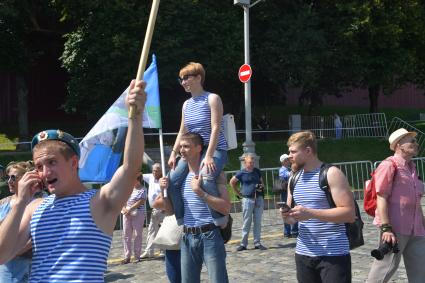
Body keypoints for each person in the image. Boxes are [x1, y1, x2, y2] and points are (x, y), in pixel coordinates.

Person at [0, 79, 146, 282]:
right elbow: (1, 255)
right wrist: (19, 204)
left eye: (52, 162)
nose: (45, 171)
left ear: (73, 162)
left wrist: (136, 117)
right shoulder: (34, 207)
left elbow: (131, 168)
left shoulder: (99, 201)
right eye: (39, 166)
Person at [280, 131, 355, 283]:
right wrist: (287, 216)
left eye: (293, 151)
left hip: (333, 254)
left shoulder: (332, 174)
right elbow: (291, 220)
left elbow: (349, 213)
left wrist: (311, 213)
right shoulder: (293, 178)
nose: (289, 156)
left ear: (308, 151)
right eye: (289, 152)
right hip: (303, 254)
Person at [162, 132, 231, 283]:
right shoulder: (177, 179)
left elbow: (226, 208)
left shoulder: (213, 175)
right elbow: (169, 211)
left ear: (199, 148)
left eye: (186, 146)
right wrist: (164, 191)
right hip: (187, 237)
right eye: (180, 146)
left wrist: (200, 192)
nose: (181, 150)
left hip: (210, 235)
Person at [167, 62, 228, 227]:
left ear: (198, 77)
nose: (183, 82)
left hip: (214, 149)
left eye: (186, 78)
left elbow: (216, 128)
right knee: (172, 180)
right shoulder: (186, 104)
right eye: (181, 79)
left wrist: (208, 155)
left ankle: (220, 219)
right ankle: (181, 219)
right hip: (193, 150)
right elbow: (182, 131)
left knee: (206, 176)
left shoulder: (212, 98)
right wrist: (173, 153)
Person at [366, 128, 425, 283]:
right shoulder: (389, 165)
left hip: (416, 229)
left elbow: (416, 201)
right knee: (385, 268)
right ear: (399, 144)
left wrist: (423, 224)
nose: (416, 143)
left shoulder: (412, 168)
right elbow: (381, 197)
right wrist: (386, 227)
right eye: (411, 141)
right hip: (395, 228)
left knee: (420, 271)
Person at [0, 161, 38, 283]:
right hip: (6, 266)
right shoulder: (3, 203)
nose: (9, 181)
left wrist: (12, 252)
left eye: (14, 177)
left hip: (29, 264)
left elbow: (36, 236)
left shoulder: (38, 202)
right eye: (8, 177)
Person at [230, 154, 267, 251]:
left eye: (253, 162)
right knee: (247, 222)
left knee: (258, 221)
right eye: (250, 162)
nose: (252, 164)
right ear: (245, 163)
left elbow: (262, 183)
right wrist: (238, 193)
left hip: (258, 199)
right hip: (247, 199)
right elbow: (232, 182)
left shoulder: (257, 171)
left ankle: (257, 242)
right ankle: (243, 244)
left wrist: (260, 187)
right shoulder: (241, 173)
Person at [152, 181, 181, 283]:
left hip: (177, 233)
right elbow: (156, 204)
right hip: (178, 231)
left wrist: (164, 192)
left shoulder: (172, 178)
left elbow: (156, 203)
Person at [140, 163, 165, 259]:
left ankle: (163, 250)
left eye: (157, 170)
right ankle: (149, 251)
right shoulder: (150, 177)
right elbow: (138, 175)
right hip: (154, 209)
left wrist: (165, 207)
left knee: (162, 230)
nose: (155, 172)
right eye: (153, 170)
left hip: (163, 209)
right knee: (151, 230)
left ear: (161, 171)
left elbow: (167, 193)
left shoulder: (164, 179)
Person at [121, 174, 147, 264]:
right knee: (126, 235)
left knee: (137, 235)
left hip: (138, 214)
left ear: (138, 180)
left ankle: (137, 256)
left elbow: (141, 201)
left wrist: (130, 209)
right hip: (126, 214)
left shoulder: (143, 189)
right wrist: (124, 208)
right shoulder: (128, 188)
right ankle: (127, 256)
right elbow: (123, 199)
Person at [279, 154, 298, 238]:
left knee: (293, 210)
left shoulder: (288, 169)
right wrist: (295, 168)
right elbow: (290, 175)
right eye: (287, 160)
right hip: (285, 193)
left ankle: (294, 231)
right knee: (286, 211)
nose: (289, 161)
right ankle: (287, 232)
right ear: (283, 161)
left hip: (290, 192)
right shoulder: (282, 170)